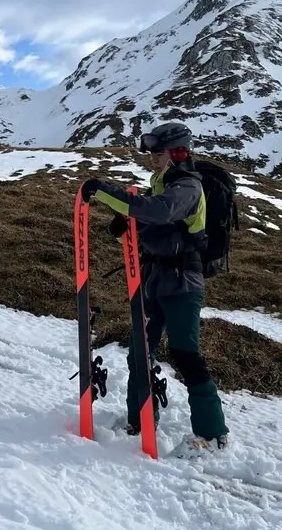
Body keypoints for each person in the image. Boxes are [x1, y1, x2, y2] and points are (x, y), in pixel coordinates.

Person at [80, 121, 229, 453]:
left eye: (158, 152)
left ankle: (212, 432)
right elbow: (153, 217)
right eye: (150, 152)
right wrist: (129, 221)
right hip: (153, 280)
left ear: (177, 153)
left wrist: (105, 193)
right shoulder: (161, 181)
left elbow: (160, 212)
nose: (151, 158)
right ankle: (141, 419)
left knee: (185, 354)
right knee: (139, 351)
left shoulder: (188, 186)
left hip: (183, 284)